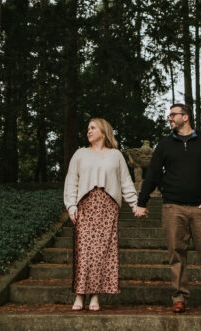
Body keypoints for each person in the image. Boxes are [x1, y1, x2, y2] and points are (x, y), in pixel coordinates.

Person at [137, 103, 201, 314]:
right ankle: (179, 298)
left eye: (173, 115)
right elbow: (152, 173)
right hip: (173, 208)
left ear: (185, 117)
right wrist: (142, 202)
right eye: (169, 115)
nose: (169, 118)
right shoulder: (165, 144)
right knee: (176, 254)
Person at [63, 117, 147, 312]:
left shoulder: (116, 155)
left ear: (103, 131)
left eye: (92, 128)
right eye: (87, 128)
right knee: (84, 251)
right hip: (85, 206)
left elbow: (126, 182)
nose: (88, 131)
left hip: (108, 207)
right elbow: (71, 181)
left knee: (102, 253)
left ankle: (95, 296)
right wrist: (71, 206)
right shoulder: (80, 154)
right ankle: (79, 295)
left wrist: (135, 205)